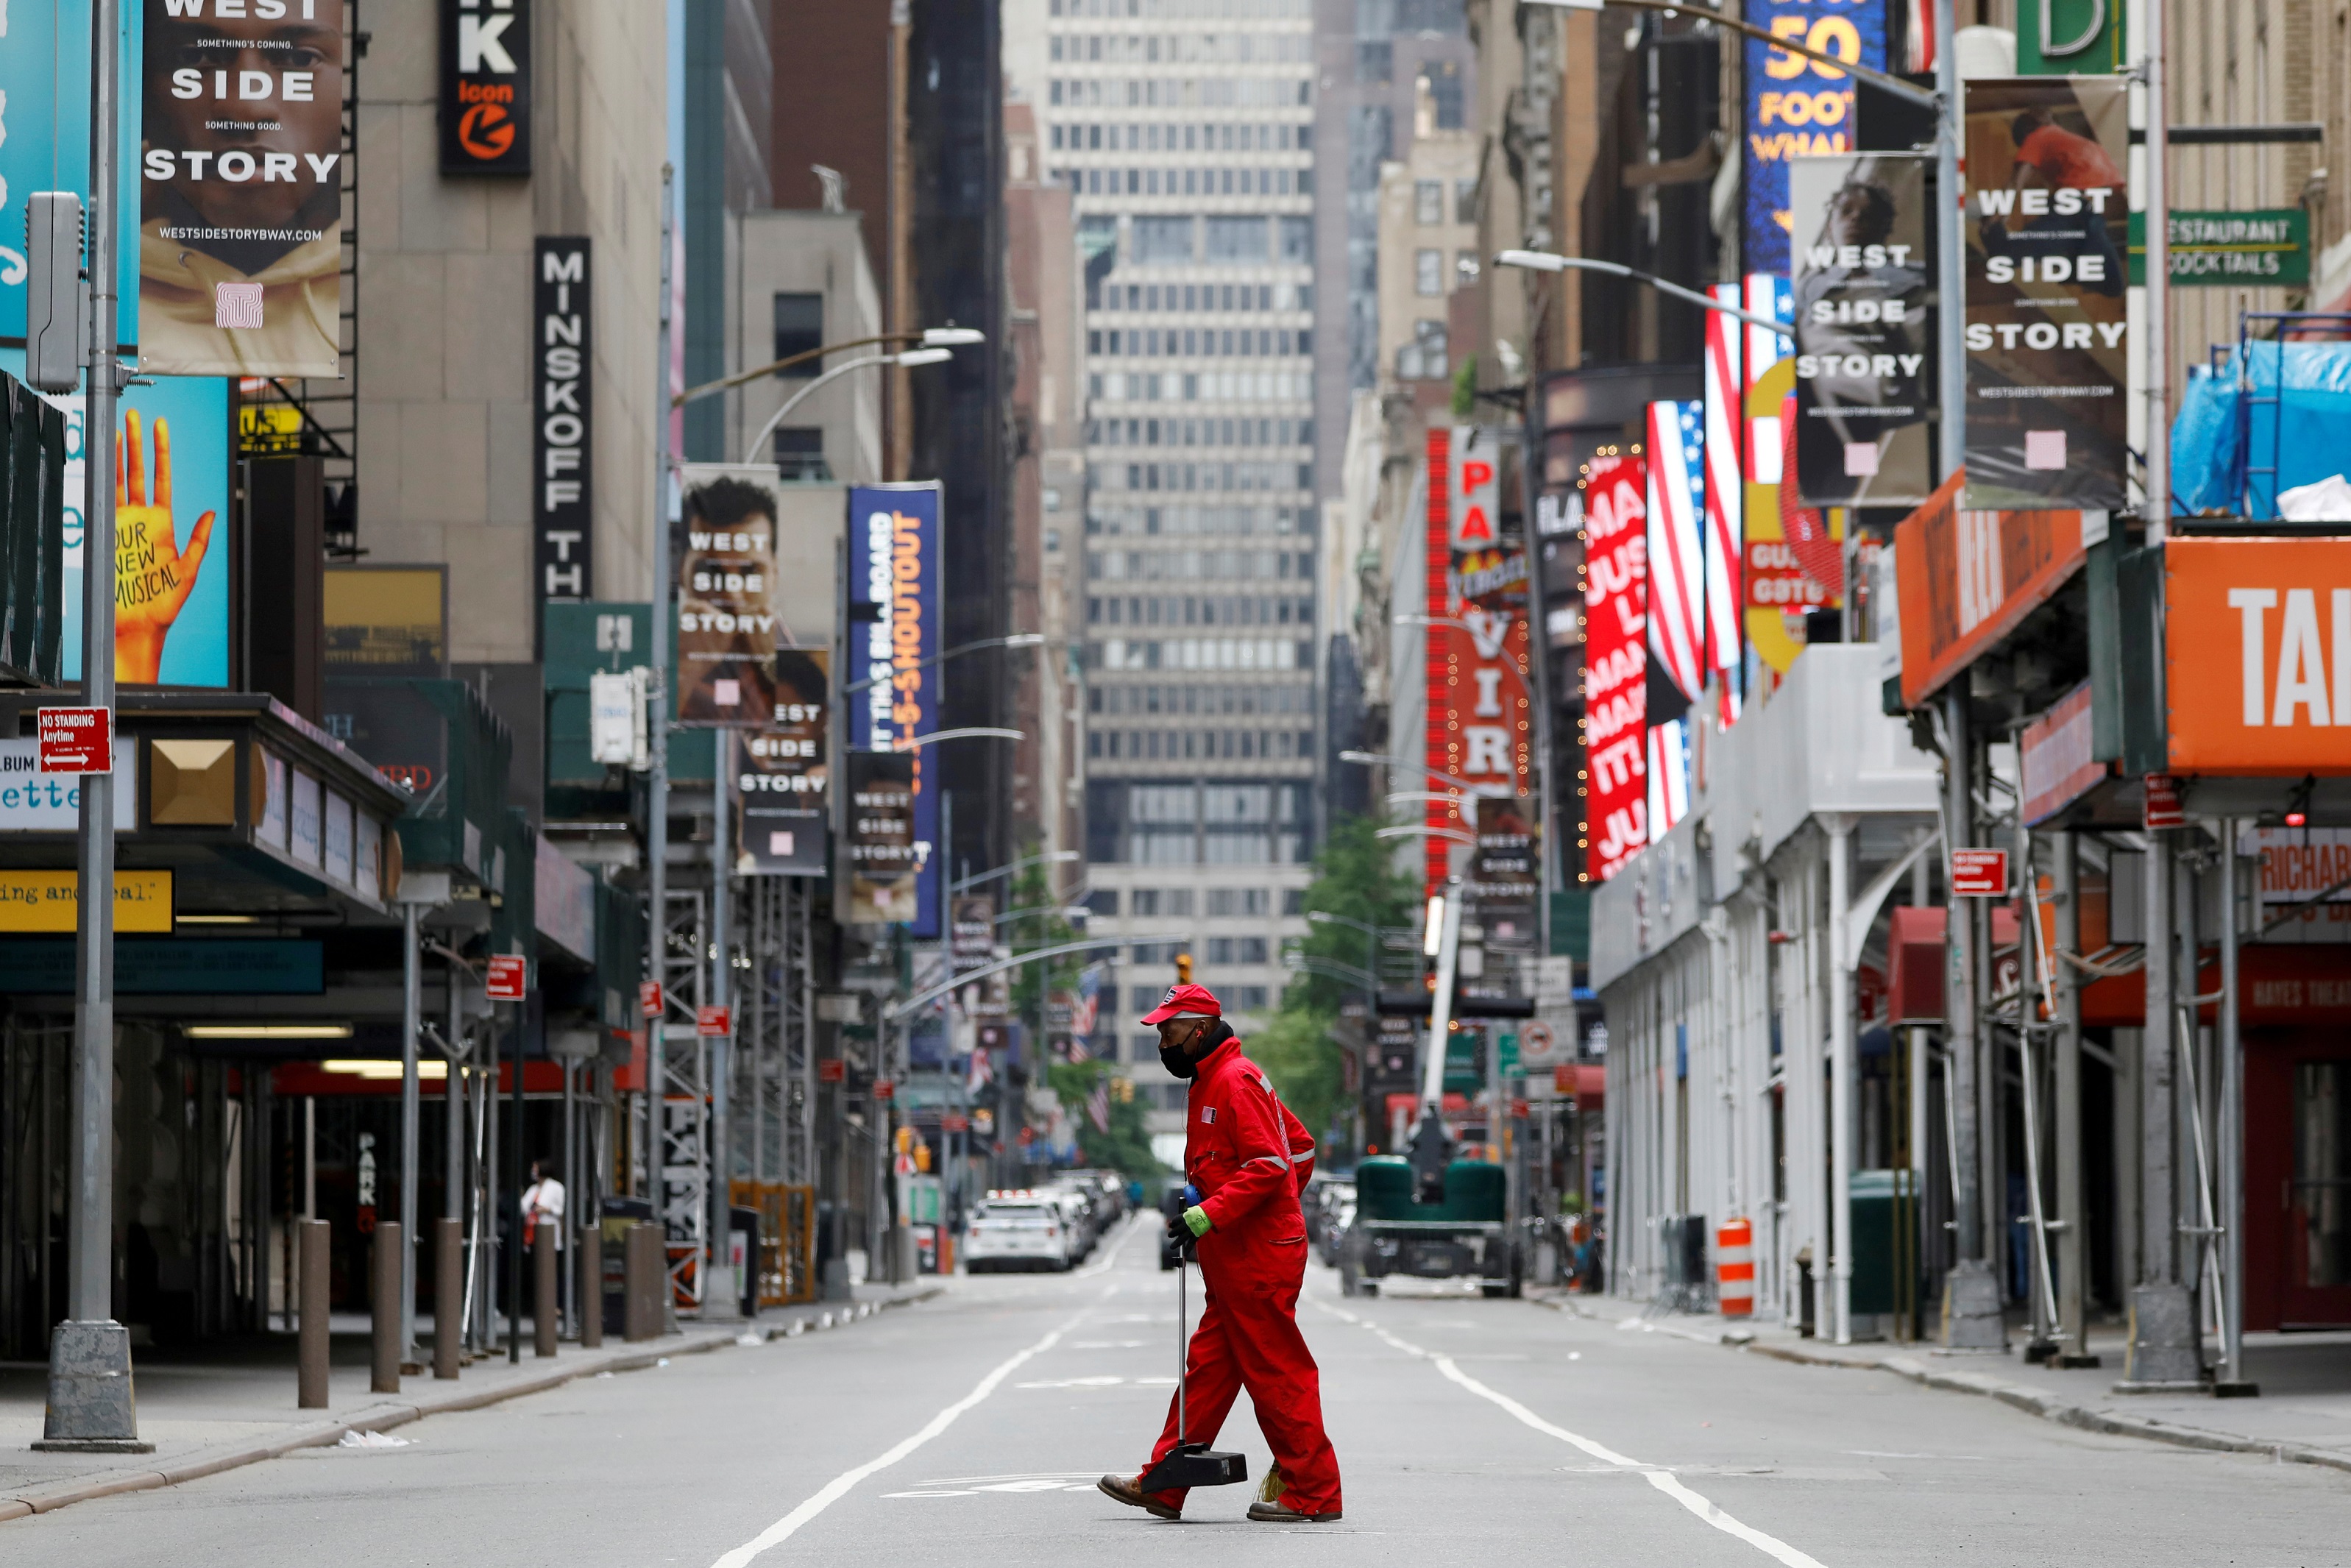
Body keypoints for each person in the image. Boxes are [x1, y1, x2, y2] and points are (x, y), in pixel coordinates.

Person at [1098, 984, 1343, 1525]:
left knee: (1277, 1372)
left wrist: (1220, 1213)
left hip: (1255, 1257)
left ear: (1200, 1029)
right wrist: (1250, 1214)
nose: (1162, 1040)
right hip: (1239, 1253)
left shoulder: (1234, 1080)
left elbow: (1269, 1164)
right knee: (1208, 1370)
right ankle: (1165, 1482)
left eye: (1168, 1029)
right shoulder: (1215, 1079)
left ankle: (1314, 1492)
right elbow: (1299, 1149)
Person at [521, 1160, 566, 1253]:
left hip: (548, 1231)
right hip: (532, 1232)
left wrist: (548, 1210)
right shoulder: (533, 1189)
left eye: (535, 1169)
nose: (533, 1171)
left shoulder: (556, 1187)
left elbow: (560, 1210)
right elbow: (523, 1208)